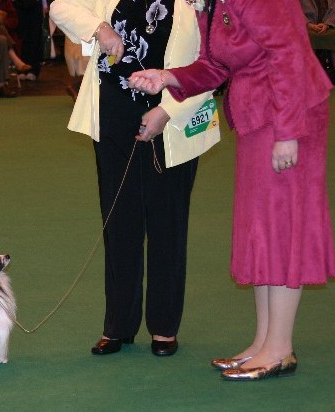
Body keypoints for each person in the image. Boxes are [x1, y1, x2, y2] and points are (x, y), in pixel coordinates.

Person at [129, 0, 335, 379]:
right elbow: (217, 65)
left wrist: (288, 133)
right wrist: (167, 78)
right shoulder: (215, 2)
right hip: (257, 117)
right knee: (261, 230)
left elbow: (289, 54)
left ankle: (280, 348)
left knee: (281, 229)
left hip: (288, 116)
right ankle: (264, 342)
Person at [51, 0, 220, 356]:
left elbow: (212, 65)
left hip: (170, 122)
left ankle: (164, 327)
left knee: (168, 227)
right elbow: (60, 6)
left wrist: (167, 112)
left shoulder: (198, 3)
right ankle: (118, 326)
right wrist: (101, 29)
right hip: (113, 122)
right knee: (119, 226)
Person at [300, 0, 335, 83]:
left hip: (326, 27)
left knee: (334, 36)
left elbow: (334, 11)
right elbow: (297, 13)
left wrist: (326, 24)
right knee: (310, 38)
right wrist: (309, 24)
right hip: (307, 27)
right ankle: (310, 73)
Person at [13, 0, 48, 81]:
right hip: (18, 4)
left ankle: (33, 70)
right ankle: (21, 68)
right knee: (20, 37)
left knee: (35, 36)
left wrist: (44, 4)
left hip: (35, 4)